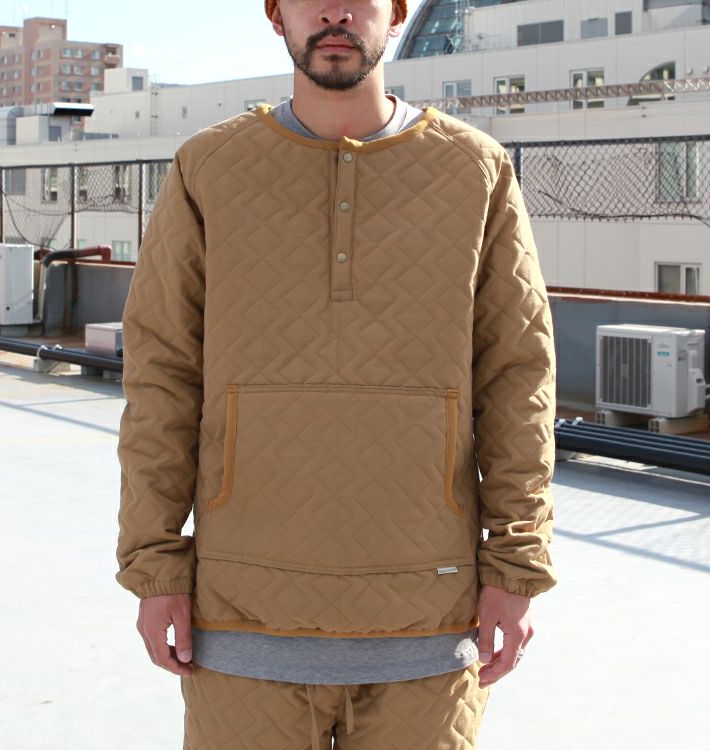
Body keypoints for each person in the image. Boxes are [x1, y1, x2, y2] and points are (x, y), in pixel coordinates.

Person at [115, 1, 557, 748]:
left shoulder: (475, 168)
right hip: (240, 617)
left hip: (430, 619)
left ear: (397, 12)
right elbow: (162, 374)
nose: (336, 12)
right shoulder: (208, 166)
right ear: (277, 14)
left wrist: (516, 568)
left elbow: (518, 378)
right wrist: (155, 565)